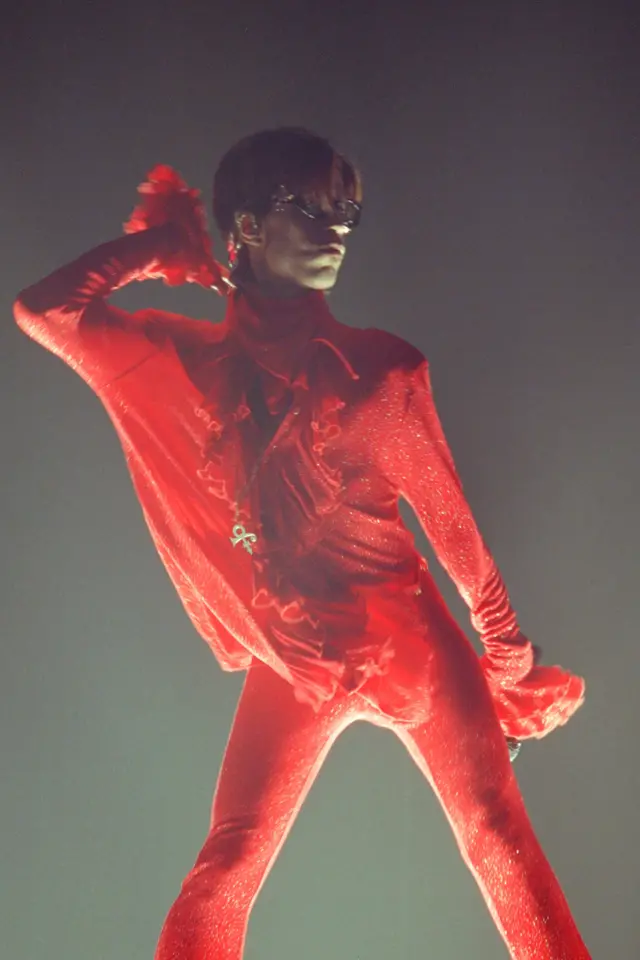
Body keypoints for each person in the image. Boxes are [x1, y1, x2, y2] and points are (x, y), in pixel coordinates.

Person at [14, 127, 590, 959]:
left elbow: (456, 536)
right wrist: (158, 246)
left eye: (346, 208)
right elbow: (45, 310)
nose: (337, 227)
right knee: (227, 866)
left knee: (497, 837)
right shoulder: (184, 361)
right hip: (294, 663)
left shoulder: (381, 375)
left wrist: (506, 663)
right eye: (309, 207)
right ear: (244, 226)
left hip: (417, 649)